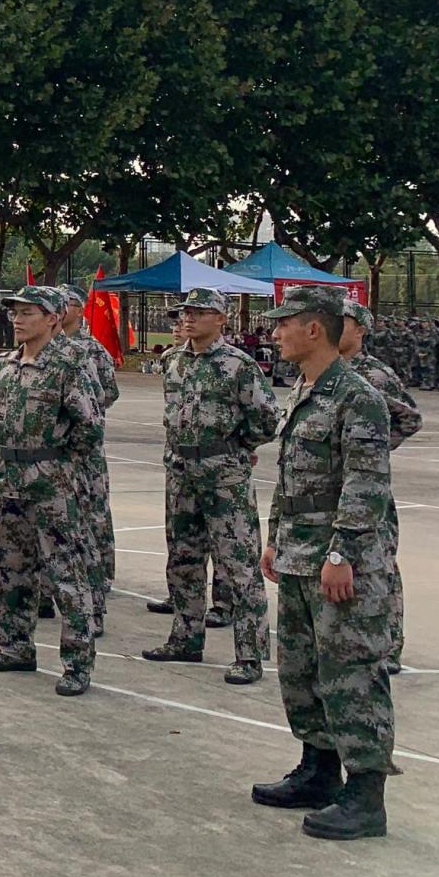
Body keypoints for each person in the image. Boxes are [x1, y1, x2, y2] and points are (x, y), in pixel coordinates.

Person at [251, 286, 396, 840]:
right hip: (298, 552)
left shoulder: (358, 397)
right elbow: (291, 477)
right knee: (302, 668)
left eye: (283, 324)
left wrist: (342, 553)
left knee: (351, 673)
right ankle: (318, 770)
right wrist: (274, 538)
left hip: (338, 559)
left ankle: (365, 795)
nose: (275, 334)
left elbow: (366, 484)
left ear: (314, 329)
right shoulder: (304, 389)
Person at [143, 287, 278, 684]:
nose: (188, 318)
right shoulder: (173, 361)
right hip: (181, 472)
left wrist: (236, 447)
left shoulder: (238, 365)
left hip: (224, 477)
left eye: (199, 312)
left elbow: (267, 419)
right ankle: (186, 638)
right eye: (185, 312)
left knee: (238, 566)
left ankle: (249, 655)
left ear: (221, 318)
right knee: (183, 558)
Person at [0, 285, 103, 697]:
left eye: (28, 312)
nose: (18, 319)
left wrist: (58, 465)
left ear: (52, 318)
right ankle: (14, 646)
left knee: (66, 573)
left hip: (52, 482)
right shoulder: (4, 365)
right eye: (15, 312)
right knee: (13, 569)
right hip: (10, 480)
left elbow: (89, 428)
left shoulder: (69, 365)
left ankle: (77, 664)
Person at [340, 300, 420, 675]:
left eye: (343, 322)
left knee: (379, 564)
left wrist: (374, 450)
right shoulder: (325, 369)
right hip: (336, 484)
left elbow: (409, 418)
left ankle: (389, 646)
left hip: (368, 487)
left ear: (361, 330)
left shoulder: (374, 374)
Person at [56, 285, 120, 636]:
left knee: (93, 513)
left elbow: (107, 392)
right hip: (55, 453)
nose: (61, 309)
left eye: (66, 304)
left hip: (85, 449)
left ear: (80, 310)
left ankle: (100, 576)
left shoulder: (91, 349)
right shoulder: (46, 346)